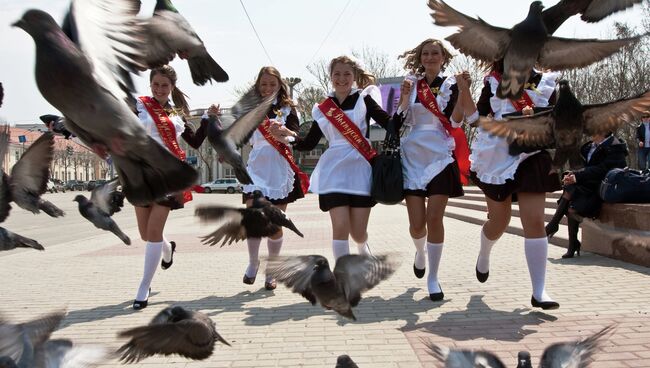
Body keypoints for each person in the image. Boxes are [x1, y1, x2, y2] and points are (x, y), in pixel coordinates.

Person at [271, 56, 406, 260]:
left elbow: (391, 125)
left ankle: (362, 246)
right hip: (333, 171)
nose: (341, 79)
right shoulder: (324, 108)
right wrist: (285, 136)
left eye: (347, 74)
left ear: (354, 77)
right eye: (337, 74)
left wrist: (403, 102)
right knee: (340, 227)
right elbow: (308, 143)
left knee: (358, 233)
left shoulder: (364, 99)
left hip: (361, 169)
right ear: (331, 76)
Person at [470, 61, 562, 309]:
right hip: (498, 155)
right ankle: (485, 253)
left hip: (532, 152)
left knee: (534, 221)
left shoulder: (547, 82)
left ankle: (539, 291)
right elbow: (478, 117)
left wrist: (538, 119)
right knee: (499, 221)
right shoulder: (493, 81)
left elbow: (557, 117)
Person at [396, 39, 478, 301]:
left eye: (435, 53)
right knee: (417, 225)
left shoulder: (451, 84)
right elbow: (399, 119)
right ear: (420, 57)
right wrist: (405, 97)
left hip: (441, 154)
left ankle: (433, 277)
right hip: (412, 154)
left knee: (435, 219)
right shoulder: (412, 83)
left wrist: (464, 90)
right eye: (426, 53)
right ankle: (420, 252)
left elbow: (456, 120)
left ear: (444, 57)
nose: (430, 57)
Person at [131, 65, 210, 310]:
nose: (160, 89)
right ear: (150, 85)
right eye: (155, 84)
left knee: (153, 234)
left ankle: (143, 287)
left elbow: (195, 142)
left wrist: (208, 119)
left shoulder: (177, 114)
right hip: (141, 173)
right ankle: (168, 249)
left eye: (165, 85)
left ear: (172, 87)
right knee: (146, 235)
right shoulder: (139, 105)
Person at [240, 66, 308, 290]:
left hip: (279, 168)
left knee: (275, 223)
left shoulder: (288, 109)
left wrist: (285, 134)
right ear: (258, 87)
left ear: (280, 85)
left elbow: (296, 135)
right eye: (264, 84)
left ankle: (272, 271)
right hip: (257, 168)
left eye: (272, 84)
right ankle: (252, 263)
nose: (268, 88)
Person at [545, 132, 628, 258]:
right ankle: (567, 239)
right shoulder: (589, 146)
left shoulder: (615, 147)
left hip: (603, 188)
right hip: (586, 187)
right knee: (570, 195)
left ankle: (554, 226)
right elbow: (582, 167)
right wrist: (571, 175)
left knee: (572, 206)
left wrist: (577, 176)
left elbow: (603, 169)